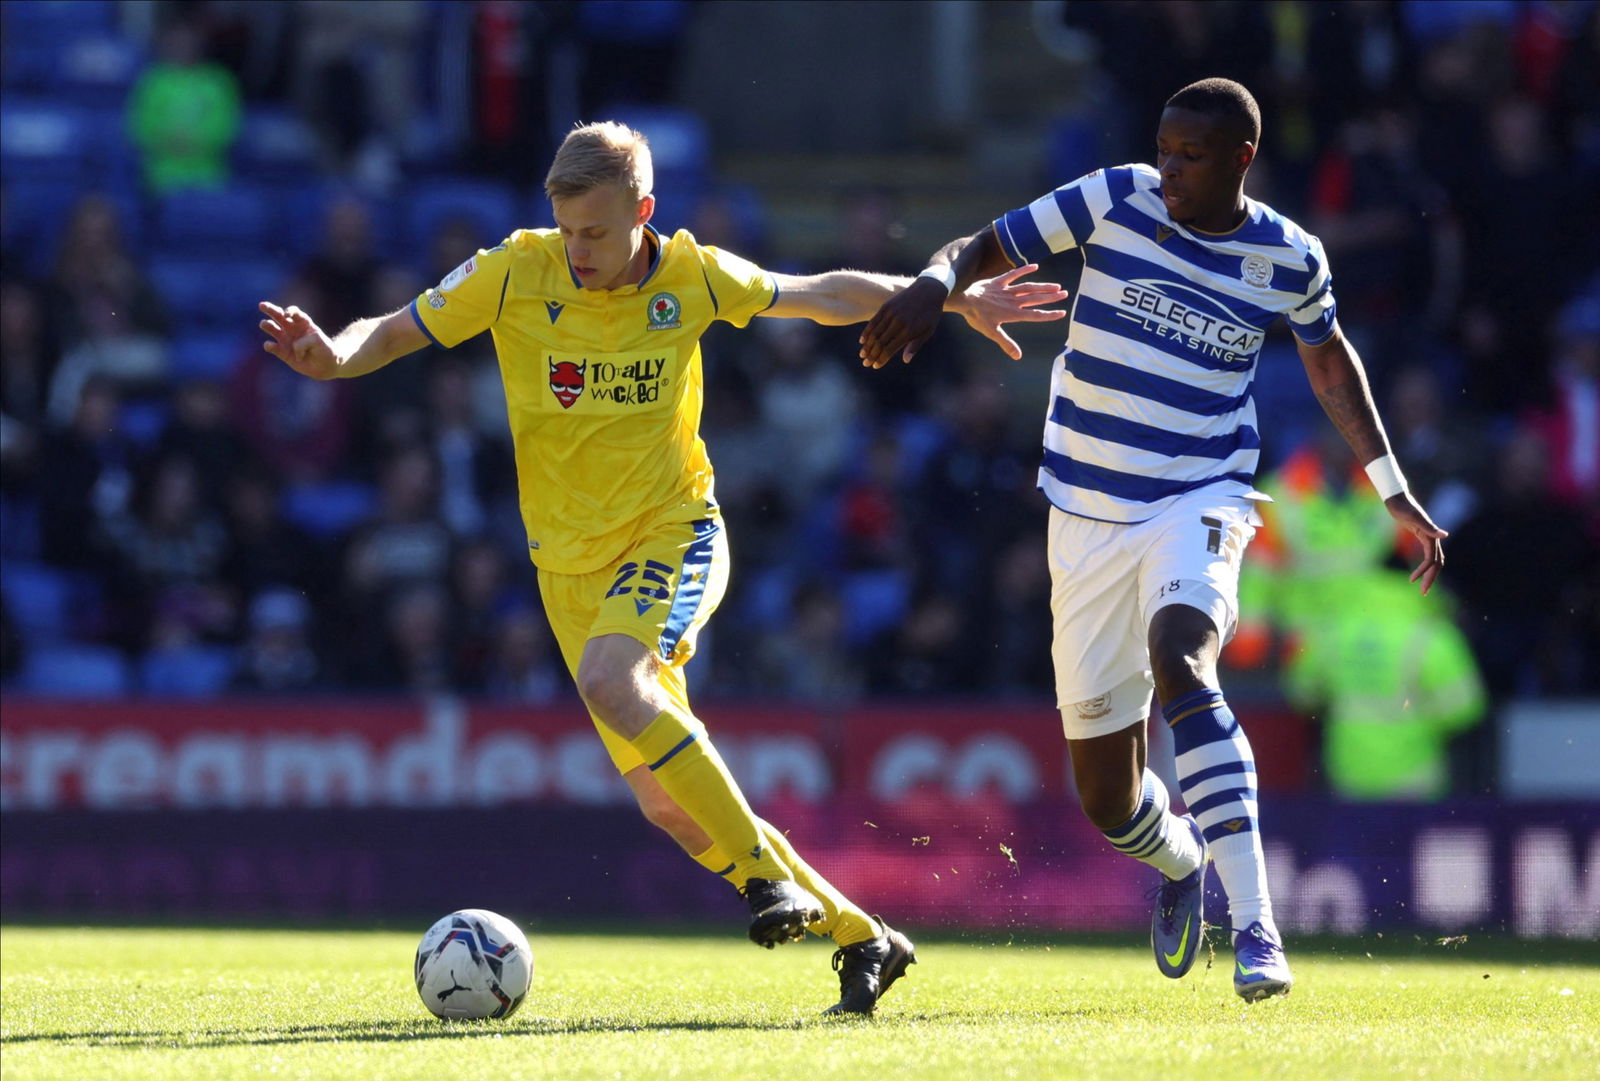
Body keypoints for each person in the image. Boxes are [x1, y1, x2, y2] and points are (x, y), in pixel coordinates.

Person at [257, 120, 1066, 1014]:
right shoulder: (514, 270)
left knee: (615, 679)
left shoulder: (693, 274)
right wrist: (334, 355)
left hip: (673, 532)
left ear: (644, 213)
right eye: (568, 231)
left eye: (598, 233)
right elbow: (402, 329)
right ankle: (864, 938)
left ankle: (767, 882)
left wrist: (948, 297)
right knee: (668, 807)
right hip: (567, 573)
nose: (580, 251)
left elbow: (820, 293)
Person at [860, 78, 1447, 1002]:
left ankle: (1258, 925)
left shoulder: (1289, 257)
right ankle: (1181, 862)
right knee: (1106, 795)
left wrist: (1392, 485)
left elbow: (1330, 360)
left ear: (1242, 158)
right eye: (1166, 149)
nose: (1170, 169)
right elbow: (981, 242)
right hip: (1086, 511)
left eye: (1193, 155)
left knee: (1185, 660)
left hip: (1198, 494)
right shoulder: (1116, 196)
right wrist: (940, 283)